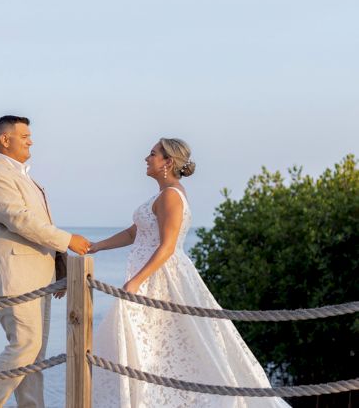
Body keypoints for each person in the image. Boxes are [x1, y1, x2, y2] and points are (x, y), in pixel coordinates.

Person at [89, 138, 290, 407]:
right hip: (153, 278)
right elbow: (134, 232)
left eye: (152, 154)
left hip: (161, 280)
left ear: (167, 162)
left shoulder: (171, 195)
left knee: (163, 346)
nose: (146, 159)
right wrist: (96, 246)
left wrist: (135, 282)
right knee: (151, 346)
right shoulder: (162, 195)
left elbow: (168, 247)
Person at [0, 115, 90, 408]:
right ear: (5, 140)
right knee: (24, 346)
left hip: (38, 278)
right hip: (13, 276)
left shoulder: (25, 177)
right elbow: (20, 221)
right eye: (24, 136)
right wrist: (67, 240)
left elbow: (38, 223)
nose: (31, 141)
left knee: (34, 355)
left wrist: (59, 267)